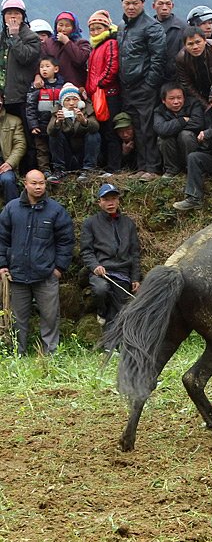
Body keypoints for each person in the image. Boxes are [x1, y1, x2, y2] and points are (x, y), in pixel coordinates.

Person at [0, 170, 74, 356]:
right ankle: (18, 353)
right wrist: (2, 265)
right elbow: (2, 238)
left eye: (41, 183)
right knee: (18, 319)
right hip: (16, 274)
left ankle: (51, 354)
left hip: (46, 275)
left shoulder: (56, 210)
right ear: (25, 184)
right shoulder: (11, 208)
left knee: (50, 318)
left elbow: (66, 241)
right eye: (34, 183)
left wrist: (58, 268)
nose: (38, 186)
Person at [117, 0, 166, 180]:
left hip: (144, 86)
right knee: (135, 128)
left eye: (135, 3)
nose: (131, 7)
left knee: (147, 127)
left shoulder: (151, 27)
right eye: (127, 3)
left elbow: (159, 58)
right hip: (127, 87)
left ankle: (152, 168)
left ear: (143, 4)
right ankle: (140, 167)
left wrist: (149, 84)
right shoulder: (122, 27)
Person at [79, 183, 141, 333]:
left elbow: (134, 253)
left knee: (120, 311)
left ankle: (111, 345)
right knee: (101, 290)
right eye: (106, 199)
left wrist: (135, 278)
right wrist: (95, 266)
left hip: (123, 273)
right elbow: (86, 251)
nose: (110, 203)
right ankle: (101, 310)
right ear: (99, 202)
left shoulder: (128, 224)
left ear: (118, 201)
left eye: (113, 198)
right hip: (101, 271)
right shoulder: (90, 223)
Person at [86, 10, 122, 176]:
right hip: (97, 95)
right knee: (101, 130)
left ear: (106, 27)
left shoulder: (110, 43)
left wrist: (99, 84)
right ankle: (105, 165)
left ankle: (114, 167)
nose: (94, 32)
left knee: (111, 130)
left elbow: (112, 67)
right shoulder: (95, 47)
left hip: (109, 94)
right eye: (92, 29)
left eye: (98, 28)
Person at [46, 83, 101, 182]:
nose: (71, 103)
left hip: (83, 152)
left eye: (74, 99)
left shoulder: (86, 109)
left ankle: (89, 170)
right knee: (54, 135)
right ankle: (59, 170)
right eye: (67, 100)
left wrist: (84, 121)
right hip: (67, 153)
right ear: (63, 102)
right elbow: (50, 131)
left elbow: (95, 126)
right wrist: (58, 122)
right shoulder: (58, 112)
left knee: (93, 134)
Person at [0, 0, 41, 118]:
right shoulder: (2, 37)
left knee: (24, 134)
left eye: (16, 13)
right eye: (9, 13)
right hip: (3, 96)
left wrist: (15, 36)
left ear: (23, 16)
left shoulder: (32, 37)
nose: (13, 17)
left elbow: (25, 57)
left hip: (22, 96)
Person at [175, 26, 212, 107]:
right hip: (200, 95)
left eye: (198, 42)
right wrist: (205, 104)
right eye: (190, 44)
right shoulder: (181, 58)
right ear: (185, 45)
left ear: (205, 40)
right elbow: (187, 84)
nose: (195, 47)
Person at [25, 57, 65, 174]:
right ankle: (45, 171)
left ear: (56, 69)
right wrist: (33, 125)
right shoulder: (37, 86)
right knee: (42, 149)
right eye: (42, 67)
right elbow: (30, 107)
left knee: (57, 147)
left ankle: (59, 169)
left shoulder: (62, 86)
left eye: (47, 66)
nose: (44, 69)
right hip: (40, 124)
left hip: (56, 125)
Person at [153, 82, 202, 177]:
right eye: (171, 99)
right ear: (163, 100)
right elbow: (161, 129)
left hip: (191, 144)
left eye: (179, 98)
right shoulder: (159, 110)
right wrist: (182, 120)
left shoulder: (193, 103)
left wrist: (172, 128)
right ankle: (171, 170)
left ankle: (191, 168)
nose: (176, 102)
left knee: (185, 135)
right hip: (171, 147)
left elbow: (198, 123)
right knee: (164, 138)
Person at [39, 12, 90, 87]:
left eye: (67, 26)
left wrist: (67, 42)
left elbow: (80, 60)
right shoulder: (48, 43)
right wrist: (38, 75)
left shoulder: (82, 43)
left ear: (74, 28)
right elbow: (40, 61)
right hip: (51, 86)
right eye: (60, 25)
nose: (63, 29)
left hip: (74, 87)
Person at [0, 91, 26, 203]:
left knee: (8, 180)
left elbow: (20, 144)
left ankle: (14, 212)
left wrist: (10, 163)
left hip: (5, 164)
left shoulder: (14, 121)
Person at [152, 0, 184, 80]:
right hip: (152, 79)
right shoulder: (148, 28)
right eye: (160, 4)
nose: (164, 7)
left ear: (172, 6)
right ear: (154, 6)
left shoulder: (182, 27)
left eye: (168, 4)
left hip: (175, 79)